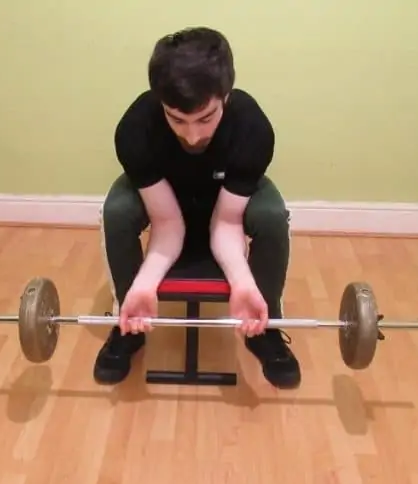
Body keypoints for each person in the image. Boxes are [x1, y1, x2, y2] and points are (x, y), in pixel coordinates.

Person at [94, 27, 301, 389]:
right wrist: (145, 284)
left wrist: (242, 283)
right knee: (116, 210)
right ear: (160, 104)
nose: (192, 136)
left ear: (226, 97)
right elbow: (167, 223)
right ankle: (129, 321)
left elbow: (226, 221)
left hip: (225, 202)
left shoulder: (253, 129)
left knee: (270, 215)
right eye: (177, 120)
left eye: (206, 119)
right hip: (167, 202)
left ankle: (262, 325)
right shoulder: (135, 129)